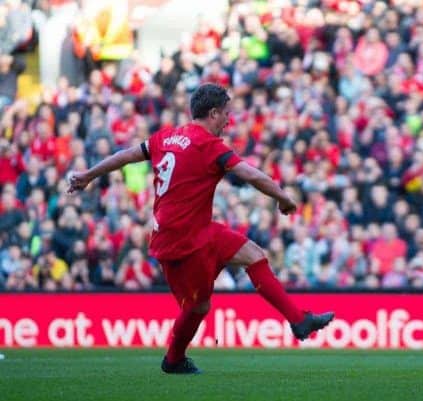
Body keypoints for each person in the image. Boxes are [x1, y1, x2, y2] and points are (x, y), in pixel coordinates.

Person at [67, 83, 334, 374]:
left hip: (197, 230)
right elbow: (250, 174)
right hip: (181, 241)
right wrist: (283, 197)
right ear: (214, 113)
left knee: (254, 254)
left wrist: (88, 175)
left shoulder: (166, 137)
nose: (229, 120)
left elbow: (126, 155)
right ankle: (173, 360)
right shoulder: (208, 145)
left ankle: (299, 320)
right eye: (227, 114)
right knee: (198, 307)